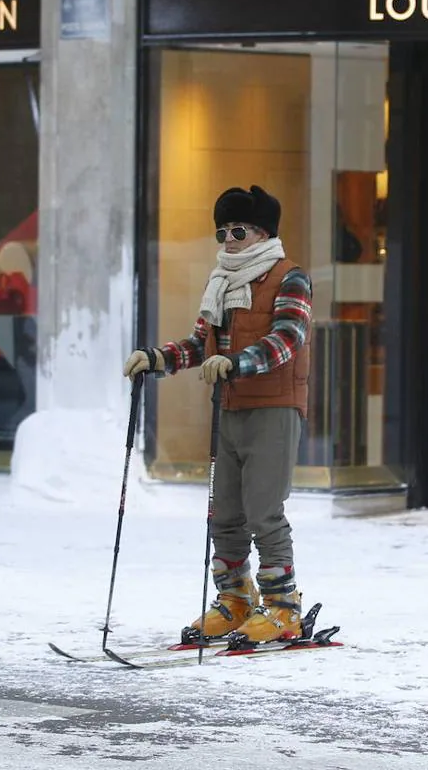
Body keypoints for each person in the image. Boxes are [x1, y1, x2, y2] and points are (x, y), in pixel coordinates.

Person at [123, 185, 313, 644]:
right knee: (224, 512)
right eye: (222, 232)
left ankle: (283, 606)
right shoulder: (222, 283)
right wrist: (159, 358)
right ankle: (234, 599)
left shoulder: (290, 277)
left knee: (264, 511)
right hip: (228, 407)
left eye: (238, 231)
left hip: (273, 408)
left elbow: (289, 338)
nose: (228, 240)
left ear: (262, 234)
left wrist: (238, 362)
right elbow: (200, 344)